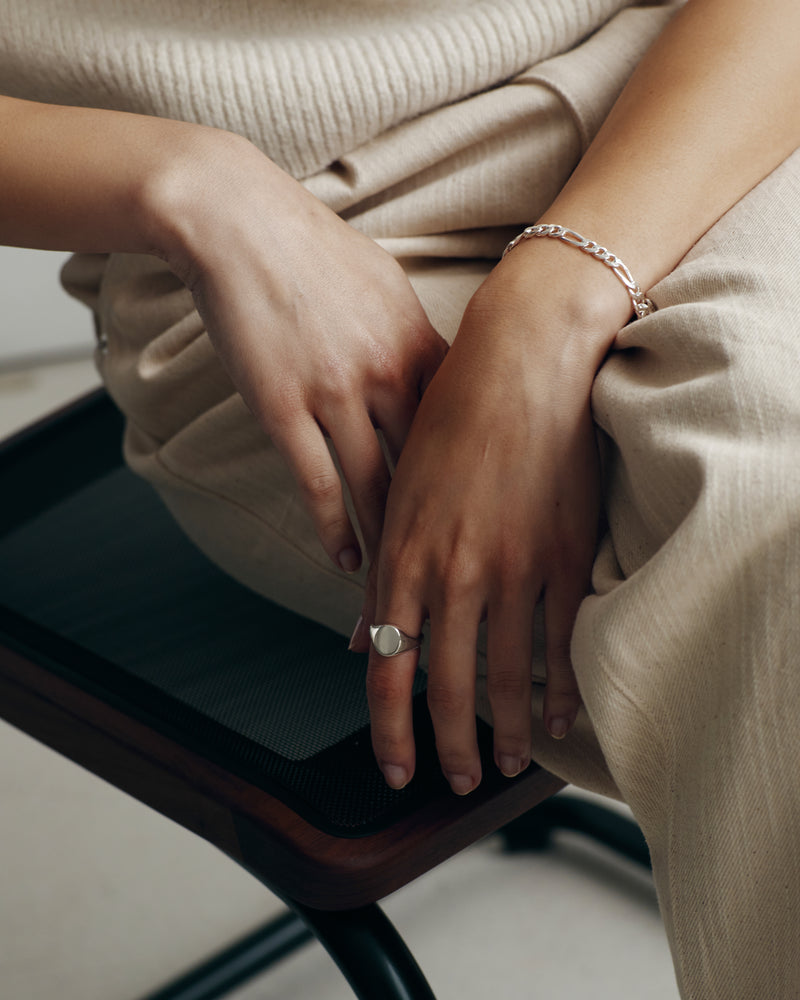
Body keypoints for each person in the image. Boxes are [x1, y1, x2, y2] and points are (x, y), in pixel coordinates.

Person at [1, 0, 799, 995]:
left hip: (707, 87)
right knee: (766, 555)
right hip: (299, 255)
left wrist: (545, 305)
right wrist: (186, 184)